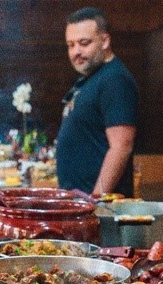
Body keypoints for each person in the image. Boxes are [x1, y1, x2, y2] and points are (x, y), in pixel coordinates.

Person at [56, 7, 139, 197]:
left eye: (84, 43)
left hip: (98, 209)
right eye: (70, 45)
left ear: (105, 41)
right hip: (79, 203)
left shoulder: (115, 80)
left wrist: (96, 199)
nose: (76, 51)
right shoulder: (91, 77)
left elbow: (121, 146)